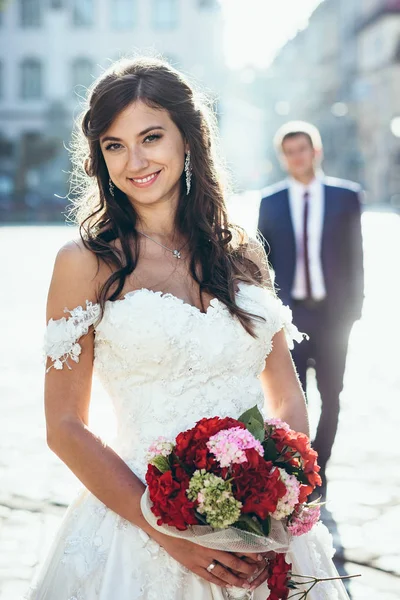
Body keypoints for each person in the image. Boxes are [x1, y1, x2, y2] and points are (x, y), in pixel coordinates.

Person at [27, 60, 350, 599]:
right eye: (114, 145)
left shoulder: (242, 253)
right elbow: (64, 425)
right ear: (99, 157)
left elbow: (286, 397)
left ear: (188, 139)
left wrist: (275, 499)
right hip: (138, 528)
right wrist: (165, 529)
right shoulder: (84, 263)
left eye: (151, 137)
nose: (135, 161)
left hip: (260, 531)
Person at [258, 121, 364, 500]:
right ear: (283, 158)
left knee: (332, 393)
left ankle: (321, 464)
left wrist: (353, 310)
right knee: (293, 394)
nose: (297, 157)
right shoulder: (270, 202)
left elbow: (355, 256)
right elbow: (261, 263)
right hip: (291, 317)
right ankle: (300, 467)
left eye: (303, 149)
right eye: (290, 152)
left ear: (315, 152)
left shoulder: (345, 197)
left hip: (334, 315)